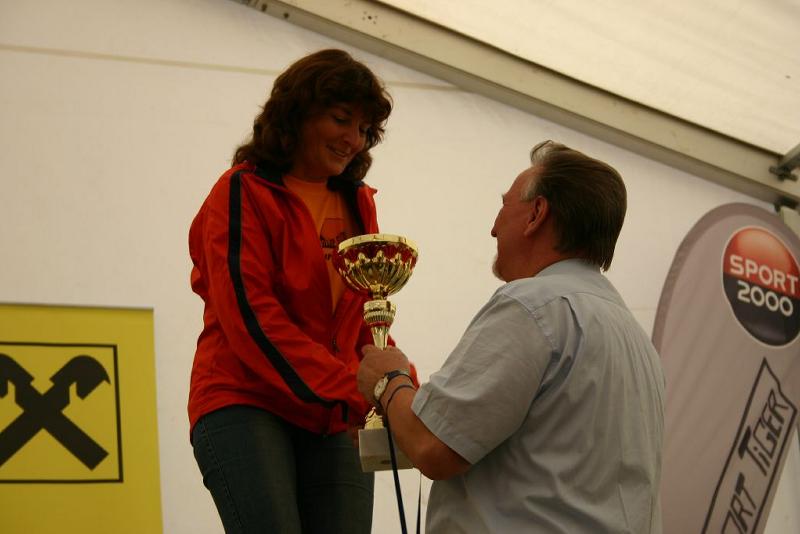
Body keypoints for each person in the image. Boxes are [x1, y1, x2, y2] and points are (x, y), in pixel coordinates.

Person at [357, 141, 666, 533]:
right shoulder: (637, 341)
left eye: (504, 206)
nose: (493, 228)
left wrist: (389, 381)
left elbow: (434, 447)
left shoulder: (533, 306)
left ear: (536, 214)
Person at [188, 49, 392, 534]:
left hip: (333, 412)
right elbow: (251, 318)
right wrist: (356, 389)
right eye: (340, 119)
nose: (353, 139)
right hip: (245, 399)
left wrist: (396, 385)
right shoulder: (240, 191)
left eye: (364, 129)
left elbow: (366, 317)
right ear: (296, 113)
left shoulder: (358, 203)